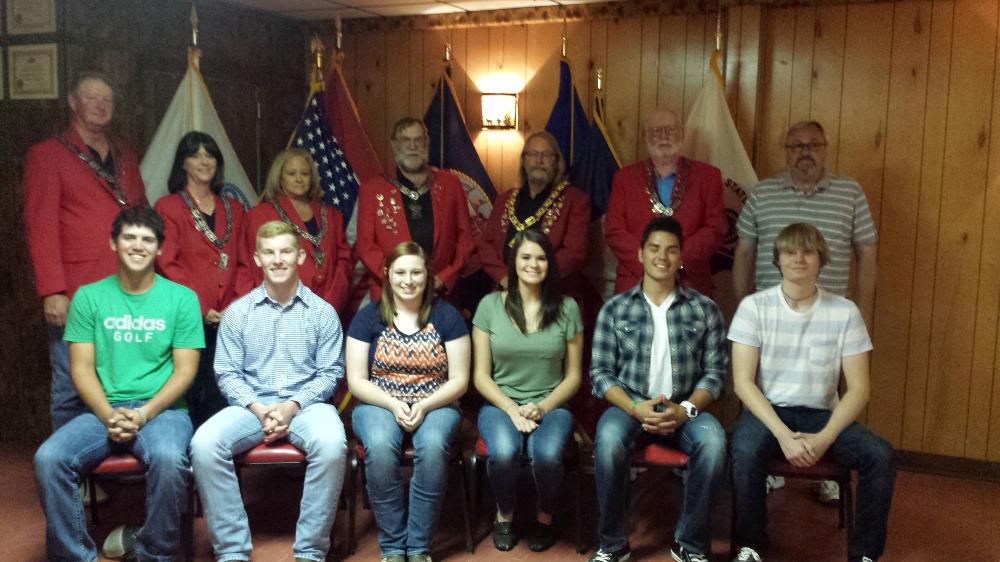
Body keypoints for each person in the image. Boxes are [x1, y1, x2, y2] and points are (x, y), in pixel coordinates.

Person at [33, 206, 203, 562]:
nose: (137, 246)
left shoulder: (182, 298)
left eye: (147, 239)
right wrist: (108, 413)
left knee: (169, 458)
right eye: (129, 237)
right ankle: (75, 556)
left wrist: (142, 415)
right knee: (49, 459)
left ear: (159, 249)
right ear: (113, 243)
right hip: (102, 409)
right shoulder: (89, 297)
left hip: (164, 410)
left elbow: (185, 373)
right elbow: (81, 369)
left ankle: (153, 552)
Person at [728, 223, 894, 562]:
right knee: (743, 450)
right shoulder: (753, 308)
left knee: (880, 455)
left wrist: (824, 439)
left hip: (823, 415)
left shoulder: (844, 312)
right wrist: (784, 436)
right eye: (790, 251)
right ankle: (750, 546)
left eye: (808, 251)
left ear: (822, 259)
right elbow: (743, 383)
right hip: (769, 411)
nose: (799, 259)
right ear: (777, 259)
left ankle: (864, 555)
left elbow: (859, 389)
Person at [732, 120, 878, 503]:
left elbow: (867, 252)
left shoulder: (850, 193)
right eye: (795, 146)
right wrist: (743, 303)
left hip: (828, 314)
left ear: (825, 147)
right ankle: (767, 463)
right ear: (786, 151)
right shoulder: (762, 194)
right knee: (759, 391)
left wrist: (861, 311)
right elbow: (744, 252)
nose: (805, 152)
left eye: (812, 144)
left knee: (830, 392)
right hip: (769, 316)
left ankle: (828, 461)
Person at [190, 220, 347, 562]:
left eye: (286, 251)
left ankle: (310, 550)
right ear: (257, 258)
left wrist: (291, 406)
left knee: (333, 444)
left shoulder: (323, 313)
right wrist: (259, 409)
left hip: (307, 404)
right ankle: (231, 551)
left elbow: (331, 373)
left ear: (301, 257)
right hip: (251, 405)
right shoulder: (237, 313)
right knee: (204, 444)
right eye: (269, 252)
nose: (278, 260)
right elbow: (228, 374)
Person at [588, 216, 728, 562]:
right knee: (607, 442)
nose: (662, 257)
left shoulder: (705, 309)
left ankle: (690, 543)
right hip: (631, 406)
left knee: (714, 444)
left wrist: (685, 411)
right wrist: (635, 408)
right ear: (640, 254)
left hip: (686, 408)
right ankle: (613, 544)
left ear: (681, 257)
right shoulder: (615, 309)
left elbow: (715, 375)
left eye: (671, 250)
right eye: (654, 249)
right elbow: (601, 374)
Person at [23, 70, 148, 429]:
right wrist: (53, 291)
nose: (100, 105)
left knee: (119, 380)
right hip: (76, 289)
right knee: (70, 383)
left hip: (128, 286)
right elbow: (40, 225)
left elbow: (141, 213)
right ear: (73, 103)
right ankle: (69, 470)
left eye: (107, 100)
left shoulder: (124, 154)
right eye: (92, 98)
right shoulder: (47, 154)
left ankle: (112, 470)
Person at [346, 242, 471, 562]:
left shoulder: (447, 316)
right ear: (387, 275)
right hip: (378, 401)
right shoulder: (368, 317)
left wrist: (425, 404)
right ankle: (392, 547)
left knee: (431, 446)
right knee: (379, 444)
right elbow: (357, 381)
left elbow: (459, 380)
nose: (408, 280)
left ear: (427, 275)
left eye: (416, 272)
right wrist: (392, 403)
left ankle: (417, 546)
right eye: (400, 272)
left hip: (437, 401)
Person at [472, 229, 583, 552]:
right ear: (512, 261)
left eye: (541, 257)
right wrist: (510, 408)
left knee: (547, 456)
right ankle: (504, 515)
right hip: (499, 403)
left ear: (550, 263)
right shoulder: (489, 306)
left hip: (552, 404)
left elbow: (574, 376)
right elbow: (480, 376)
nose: (533, 264)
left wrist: (543, 407)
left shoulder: (567, 308)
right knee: (504, 453)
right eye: (525, 257)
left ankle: (545, 517)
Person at [154, 131, 245, 427]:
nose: (204, 161)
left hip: (229, 317)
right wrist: (200, 306)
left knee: (227, 388)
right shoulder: (168, 207)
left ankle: (223, 453)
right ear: (183, 163)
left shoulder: (235, 208)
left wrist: (236, 307)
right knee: (194, 387)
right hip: (189, 316)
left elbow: (246, 262)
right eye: (196, 154)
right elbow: (167, 262)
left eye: (210, 154)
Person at [605, 108, 727, 297]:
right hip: (634, 282)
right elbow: (614, 230)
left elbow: (715, 228)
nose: (664, 137)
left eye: (670, 130)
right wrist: (650, 264)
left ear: (682, 134)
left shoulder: (708, 177)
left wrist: (675, 259)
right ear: (646, 136)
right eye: (656, 131)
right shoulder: (624, 178)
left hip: (690, 282)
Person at [355, 117, 472, 301]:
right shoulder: (372, 189)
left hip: (439, 294)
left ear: (427, 143)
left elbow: (465, 239)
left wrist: (445, 277)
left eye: (418, 140)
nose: (412, 146)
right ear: (394, 145)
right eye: (405, 140)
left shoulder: (450, 184)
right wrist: (401, 280)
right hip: (390, 298)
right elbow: (365, 245)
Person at [236, 148, 351, 312]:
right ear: (280, 177)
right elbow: (251, 268)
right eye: (292, 173)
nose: (299, 179)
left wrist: (331, 303)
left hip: (329, 309)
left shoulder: (332, 215)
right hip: (279, 310)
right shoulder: (259, 215)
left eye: (305, 173)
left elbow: (344, 262)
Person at [477, 131, 590, 288]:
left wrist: (531, 279)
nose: (539, 160)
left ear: (557, 162)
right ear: (523, 161)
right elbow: (485, 245)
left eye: (546, 155)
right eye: (533, 154)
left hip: (552, 295)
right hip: (505, 291)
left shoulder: (575, 200)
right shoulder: (504, 199)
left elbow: (574, 253)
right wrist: (504, 278)